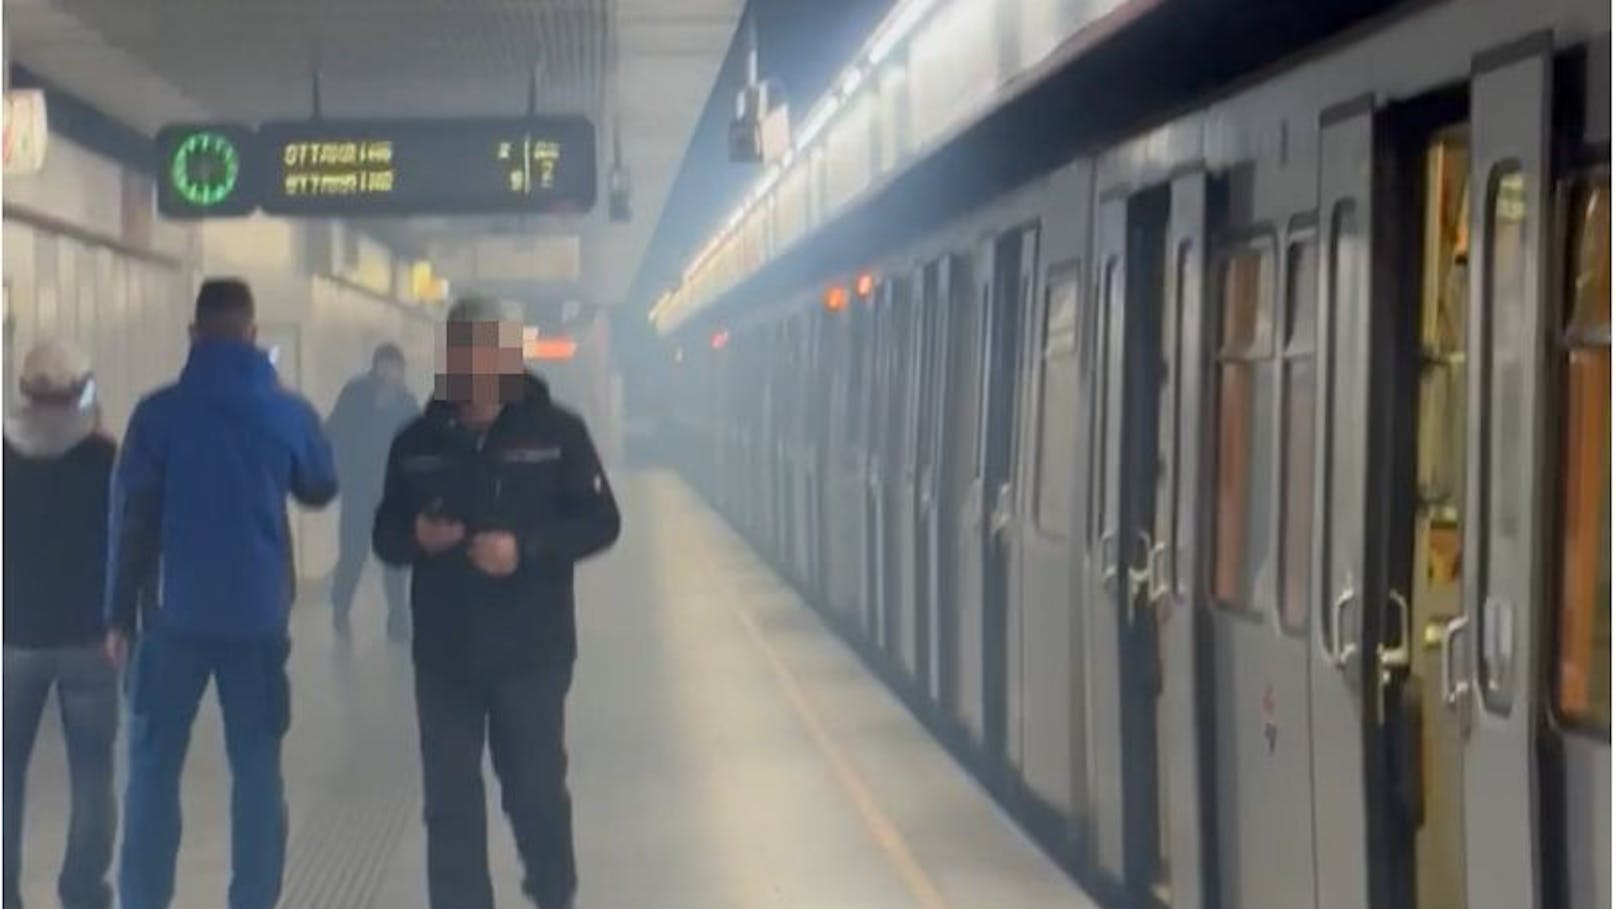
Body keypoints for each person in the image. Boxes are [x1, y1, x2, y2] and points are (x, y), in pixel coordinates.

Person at [373, 296, 620, 909]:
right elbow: (385, 534)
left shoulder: (558, 433)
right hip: (445, 659)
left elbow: (600, 521)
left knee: (535, 795)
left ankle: (553, 895)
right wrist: (419, 540)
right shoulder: (416, 443)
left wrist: (526, 550)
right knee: (450, 807)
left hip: (531, 654)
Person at [106, 278, 338, 909]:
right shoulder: (287, 412)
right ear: (252, 334)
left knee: (153, 770)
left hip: (170, 615)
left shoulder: (157, 415)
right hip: (258, 617)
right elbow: (321, 485)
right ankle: (254, 899)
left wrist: (116, 614)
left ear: (194, 334)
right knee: (258, 772)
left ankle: (145, 899)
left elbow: (130, 519)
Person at [3, 342, 119, 909]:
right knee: (92, 773)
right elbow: (127, 543)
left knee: (5, 775)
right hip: (90, 638)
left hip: (14, 637)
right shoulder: (104, 457)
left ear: (24, 391)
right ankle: (81, 888)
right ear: (81, 390)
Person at [326, 342, 418, 640]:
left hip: (393, 495)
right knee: (353, 555)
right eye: (386, 366)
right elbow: (334, 430)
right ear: (376, 366)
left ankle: (398, 618)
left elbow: (417, 444)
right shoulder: (355, 395)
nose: (391, 373)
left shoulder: (406, 401)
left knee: (394, 559)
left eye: (396, 368)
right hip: (359, 490)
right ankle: (340, 607)